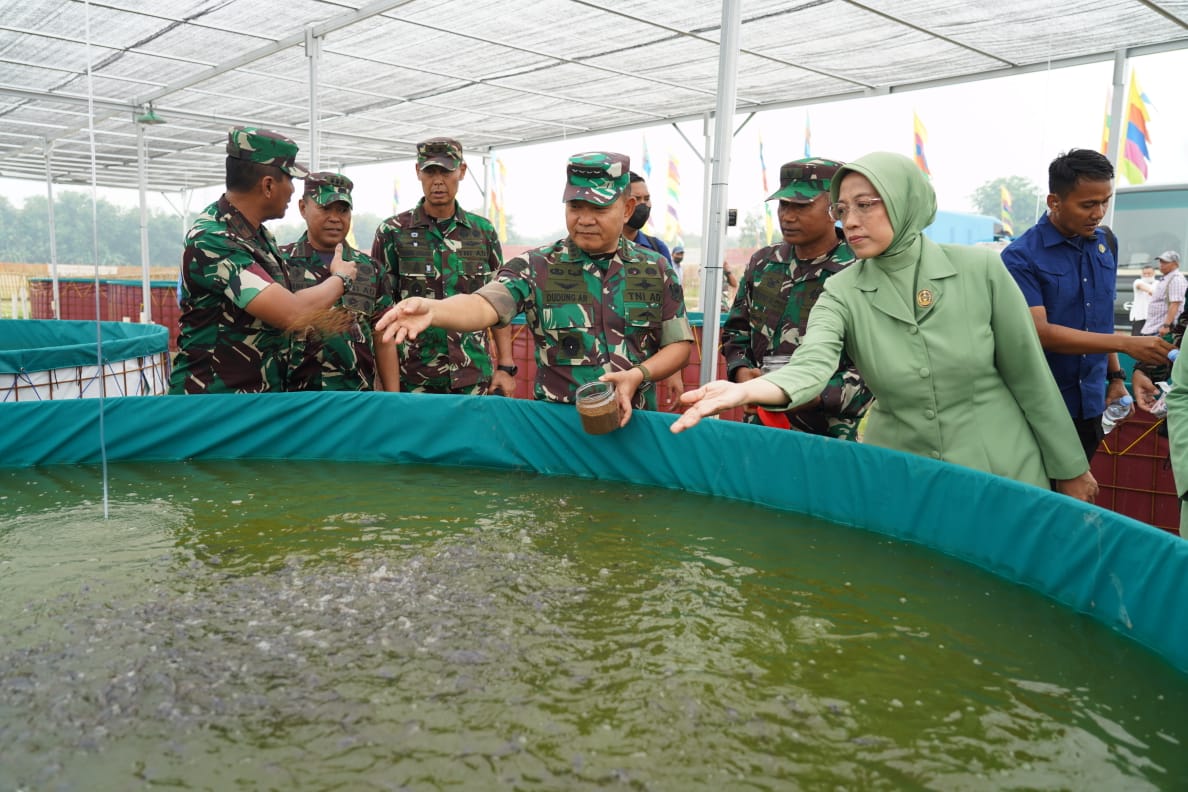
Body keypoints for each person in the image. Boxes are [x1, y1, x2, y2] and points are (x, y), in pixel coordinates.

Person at [672, 152, 1097, 502]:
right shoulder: (842, 290)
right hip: (900, 478)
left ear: (905, 201)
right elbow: (812, 365)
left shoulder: (980, 270)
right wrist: (745, 389)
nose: (850, 221)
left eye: (866, 205)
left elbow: (1030, 377)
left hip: (1001, 472)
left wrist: (1071, 468)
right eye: (842, 209)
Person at [376, 151, 694, 426]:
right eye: (575, 207)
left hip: (635, 426)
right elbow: (484, 305)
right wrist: (434, 310)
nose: (584, 220)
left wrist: (638, 374)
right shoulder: (536, 266)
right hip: (557, 433)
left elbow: (678, 346)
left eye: (598, 210)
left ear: (627, 209)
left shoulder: (656, 269)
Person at [1002, 149, 1171, 462]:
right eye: (1088, 204)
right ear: (1054, 202)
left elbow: (1100, 315)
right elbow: (1039, 332)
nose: (1099, 213)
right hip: (1041, 407)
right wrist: (1126, 343)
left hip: (1091, 404)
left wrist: (1116, 378)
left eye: (1104, 201)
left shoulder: (1106, 242)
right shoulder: (1020, 257)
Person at [170, 126, 358, 395]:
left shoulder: (257, 235)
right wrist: (341, 278)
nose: (294, 190)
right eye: (290, 180)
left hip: (253, 398)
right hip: (212, 402)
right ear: (268, 185)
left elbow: (282, 304)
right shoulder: (214, 240)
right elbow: (291, 313)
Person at [721, 157, 872, 440]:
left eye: (801, 206)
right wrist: (742, 372)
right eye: (784, 205)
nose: (787, 216)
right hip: (761, 426)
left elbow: (873, 368)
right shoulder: (764, 263)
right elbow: (736, 331)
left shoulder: (861, 272)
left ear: (834, 209)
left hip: (826, 435)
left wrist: (807, 395)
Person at [370, 137, 515, 396]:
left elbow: (499, 303)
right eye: (430, 171)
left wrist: (505, 365)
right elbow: (382, 313)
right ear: (418, 172)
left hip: (473, 374)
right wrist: (385, 382)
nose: (438, 181)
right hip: (413, 378)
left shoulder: (483, 232)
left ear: (461, 171)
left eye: (446, 171)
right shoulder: (391, 233)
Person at [280, 172, 398, 392]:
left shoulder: (370, 269)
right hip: (295, 398)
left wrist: (393, 399)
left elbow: (383, 336)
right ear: (303, 208)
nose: (335, 218)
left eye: (343, 210)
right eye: (325, 208)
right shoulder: (280, 264)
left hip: (355, 398)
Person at [624, 170, 682, 408]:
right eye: (636, 199)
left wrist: (674, 371)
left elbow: (670, 312)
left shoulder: (657, 251)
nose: (643, 205)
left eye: (647, 199)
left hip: (643, 373)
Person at [1141, 251, 1186, 337]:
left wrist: (1166, 326)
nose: (1161, 264)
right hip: (1153, 328)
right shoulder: (1166, 278)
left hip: (1161, 330)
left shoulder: (1176, 279)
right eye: (1160, 261)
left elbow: (1175, 304)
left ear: (1175, 264)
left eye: (1165, 262)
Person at [1130, 265, 1156, 336]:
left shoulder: (1158, 283)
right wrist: (1154, 292)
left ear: (1154, 273)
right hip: (1139, 316)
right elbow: (1140, 286)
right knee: (1136, 340)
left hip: (1152, 318)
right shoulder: (1138, 281)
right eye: (1144, 273)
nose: (1146, 275)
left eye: (1149, 273)